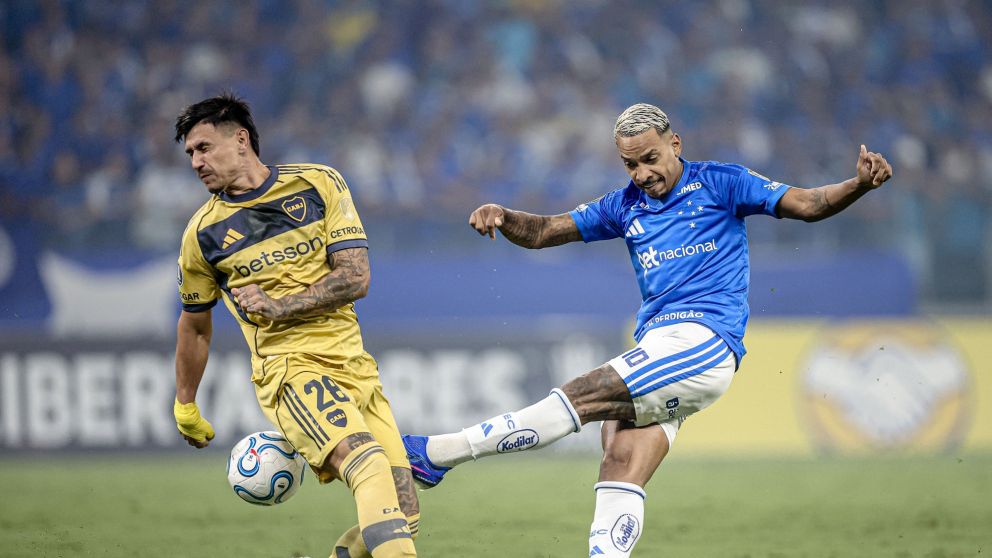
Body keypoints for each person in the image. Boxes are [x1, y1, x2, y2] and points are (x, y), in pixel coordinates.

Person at [403, 102, 893, 557]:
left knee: (585, 392)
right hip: (660, 349)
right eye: (630, 165)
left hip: (704, 343)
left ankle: (438, 454)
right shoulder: (625, 205)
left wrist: (858, 185)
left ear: (675, 143)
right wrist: (505, 216)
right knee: (618, 460)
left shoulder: (722, 183)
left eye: (650, 159)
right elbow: (547, 231)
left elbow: (807, 204)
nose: (643, 174)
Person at [171, 93, 418, 558]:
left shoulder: (318, 184)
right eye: (190, 154)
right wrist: (185, 402)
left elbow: (355, 277)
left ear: (240, 140)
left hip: (355, 367)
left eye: (203, 148)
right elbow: (195, 326)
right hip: (290, 370)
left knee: (403, 513)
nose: (195, 162)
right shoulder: (201, 235)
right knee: (365, 464)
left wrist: (276, 305)